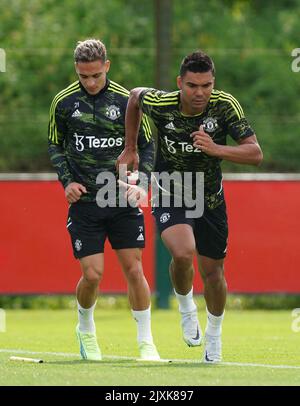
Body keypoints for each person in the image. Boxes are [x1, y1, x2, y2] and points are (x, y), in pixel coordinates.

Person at [117, 50, 263, 362]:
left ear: (214, 84)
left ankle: (214, 335)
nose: (200, 93)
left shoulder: (225, 105)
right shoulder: (162, 103)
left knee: (213, 274)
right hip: (170, 192)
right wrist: (131, 147)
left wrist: (215, 148)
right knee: (182, 254)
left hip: (210, 198)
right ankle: (186, 308)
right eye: (193, 85)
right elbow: (134, 98)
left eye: (206, 85)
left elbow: (254, 153)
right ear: (179, 83)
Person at [48, 39, 160, 361]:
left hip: (122, 197)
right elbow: (55, 145)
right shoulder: (64, 102)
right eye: (84, 77)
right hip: (85, 203)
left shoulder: (128, 101)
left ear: (107, 66)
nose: (91, 82)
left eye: (96, 75)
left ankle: (145, 342)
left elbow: (149, 146)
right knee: (93, 274)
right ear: (77, 72)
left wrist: (145, 184)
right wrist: (66, 182)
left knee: (134, 269)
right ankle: (85, 328)